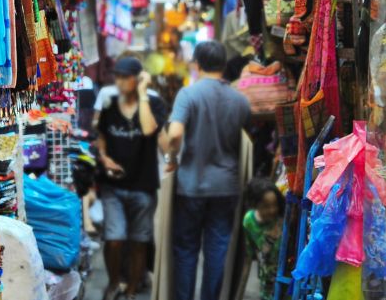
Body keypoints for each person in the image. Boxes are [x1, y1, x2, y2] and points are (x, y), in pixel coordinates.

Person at [166, 41, 252, 300]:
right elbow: (246, 140)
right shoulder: (240, 100)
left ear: (197, 64)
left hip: (191, 185)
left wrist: (172, 157)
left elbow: (175, 133)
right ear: (224, 66)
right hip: (226, 186)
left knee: (186, 249)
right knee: (217, 250)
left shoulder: (188, 95)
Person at [96, 56, 169, 300]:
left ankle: (131, 289)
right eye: (117, 76)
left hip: (143, 184)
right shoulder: (110, 104)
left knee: (139, 241)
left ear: (137, 79)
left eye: (125, 77)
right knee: (114, 238)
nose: (120, 81)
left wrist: (143, 94)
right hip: (113, 185)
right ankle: (115, 282)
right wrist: (105, 158)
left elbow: (149, 130)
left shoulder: (154, 105)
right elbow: (102, 137)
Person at [235, 179, 285, 300]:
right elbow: (248, 257)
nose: (272, 210)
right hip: (266, 281)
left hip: (284, 278)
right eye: (266, 206)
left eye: (275, 205)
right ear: (255, 204)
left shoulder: (282, 219)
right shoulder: (249, 221)